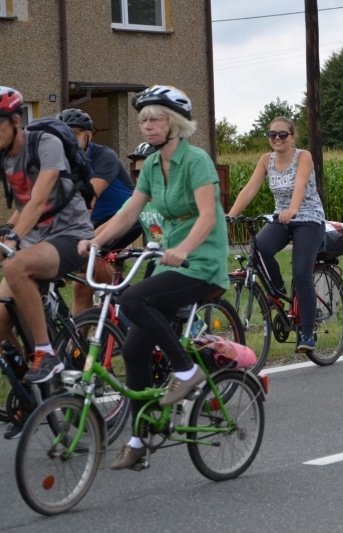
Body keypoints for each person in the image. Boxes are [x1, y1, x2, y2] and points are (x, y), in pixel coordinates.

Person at [78, 85, 229, 470]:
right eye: (143, 119)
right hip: (170, 263)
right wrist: (94, 240)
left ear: (174, 123)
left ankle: (186, 369)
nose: (147, 126)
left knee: (132, 299)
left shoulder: (197, 162)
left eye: (155, 118)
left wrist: (184, 249)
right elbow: (129, 211)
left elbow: (209, 217)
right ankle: (139, 440)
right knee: (132, 349)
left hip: (202, 263)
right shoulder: (151, 168)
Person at [0, 86, 93, 389]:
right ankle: (30, 386)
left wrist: (13, 239)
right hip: (37, 241)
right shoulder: (6, 159)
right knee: (0, 314)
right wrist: (6, 232)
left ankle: (46, 353)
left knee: (15, 267)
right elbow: (24, 207)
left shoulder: (46, 143)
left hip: (71, 236)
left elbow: (39, 201)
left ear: (15, 121)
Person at [227, 116, 325, 353]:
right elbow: (250, 188)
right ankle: (278, 290)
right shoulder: (265, 160)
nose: (277, 139)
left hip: (308, 218)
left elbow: (300, 184)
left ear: (292, 137)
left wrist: (293, 209)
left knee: (301, 272)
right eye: (272, 135)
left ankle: (308, 333)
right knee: (258, 247)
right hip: (281, 218)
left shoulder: (303, 156)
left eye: (283, 135)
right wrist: (229, 216)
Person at [59, 108, 142, 316]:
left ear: (88, 135)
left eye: (75, 132)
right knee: (81, 287)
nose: (69, 138)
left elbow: (90, 198)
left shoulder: (104, 156)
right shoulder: (60, 162)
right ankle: (78, 346)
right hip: (94, 221)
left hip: (125, 217)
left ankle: (133, 302)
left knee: (91, 260)